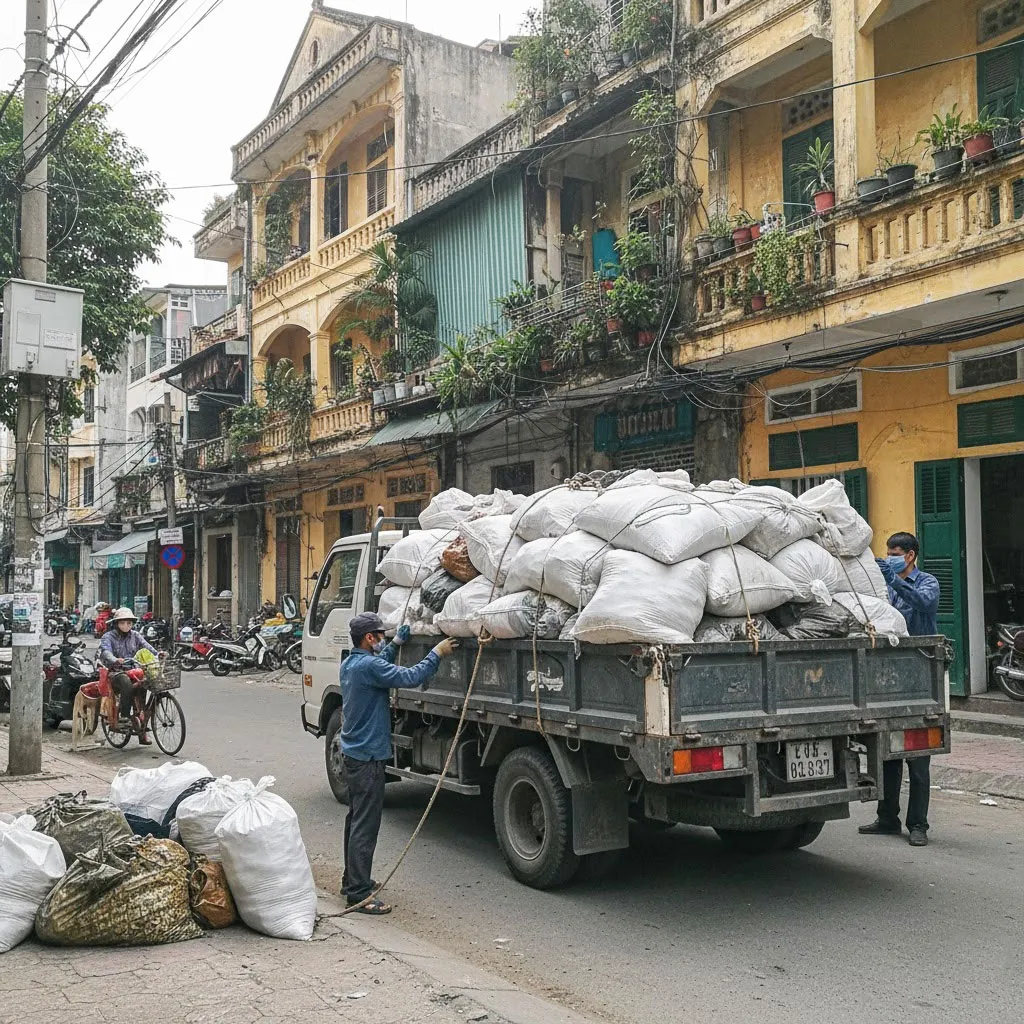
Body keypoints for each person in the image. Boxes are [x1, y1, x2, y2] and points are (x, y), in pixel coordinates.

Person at [340, 612, 458, 914]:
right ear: (369, 638)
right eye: (380, 635)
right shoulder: (369, 666)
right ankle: (359, 893)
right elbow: (408, 677)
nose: (382, 640)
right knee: (365, 826)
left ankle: (351, 880)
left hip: (354, 756)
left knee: (355, 820)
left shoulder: (351, 664)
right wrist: (436, 653)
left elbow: (382, 667)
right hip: (368, 759)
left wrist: (395, 642)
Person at [859, 532, 941, 847]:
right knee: (888, 753)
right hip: (888, 677)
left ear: (909, 555)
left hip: (921, 677)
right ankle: (887, 817)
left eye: (895, 552)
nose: (890, 556)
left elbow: (926, 604)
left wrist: (894, 580)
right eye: (888, 552)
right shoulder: (886, 589)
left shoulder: (926, 582)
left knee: (918, 756)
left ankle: (918, 824)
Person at [98, 607, 161, 746]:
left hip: (135, 670)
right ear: (116, 623)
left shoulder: (136, 636)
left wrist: (158, 654)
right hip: (116, 673)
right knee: (126, 683)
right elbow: (105, 652)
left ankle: (142, 730)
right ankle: (124, 716)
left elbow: (147, 648)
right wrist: (115, 659)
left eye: (129, 623)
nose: (126, 626)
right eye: (122, 623)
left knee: (146, 689)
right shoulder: (108, 637)